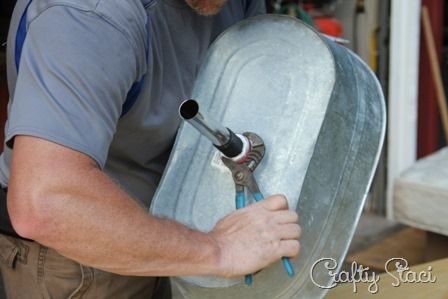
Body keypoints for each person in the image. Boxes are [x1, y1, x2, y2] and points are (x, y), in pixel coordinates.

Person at [0, 0, 301, 298]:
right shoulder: (88, 14)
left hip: (180, 225)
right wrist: (219, 250)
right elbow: (46, 202)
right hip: (82, 254)